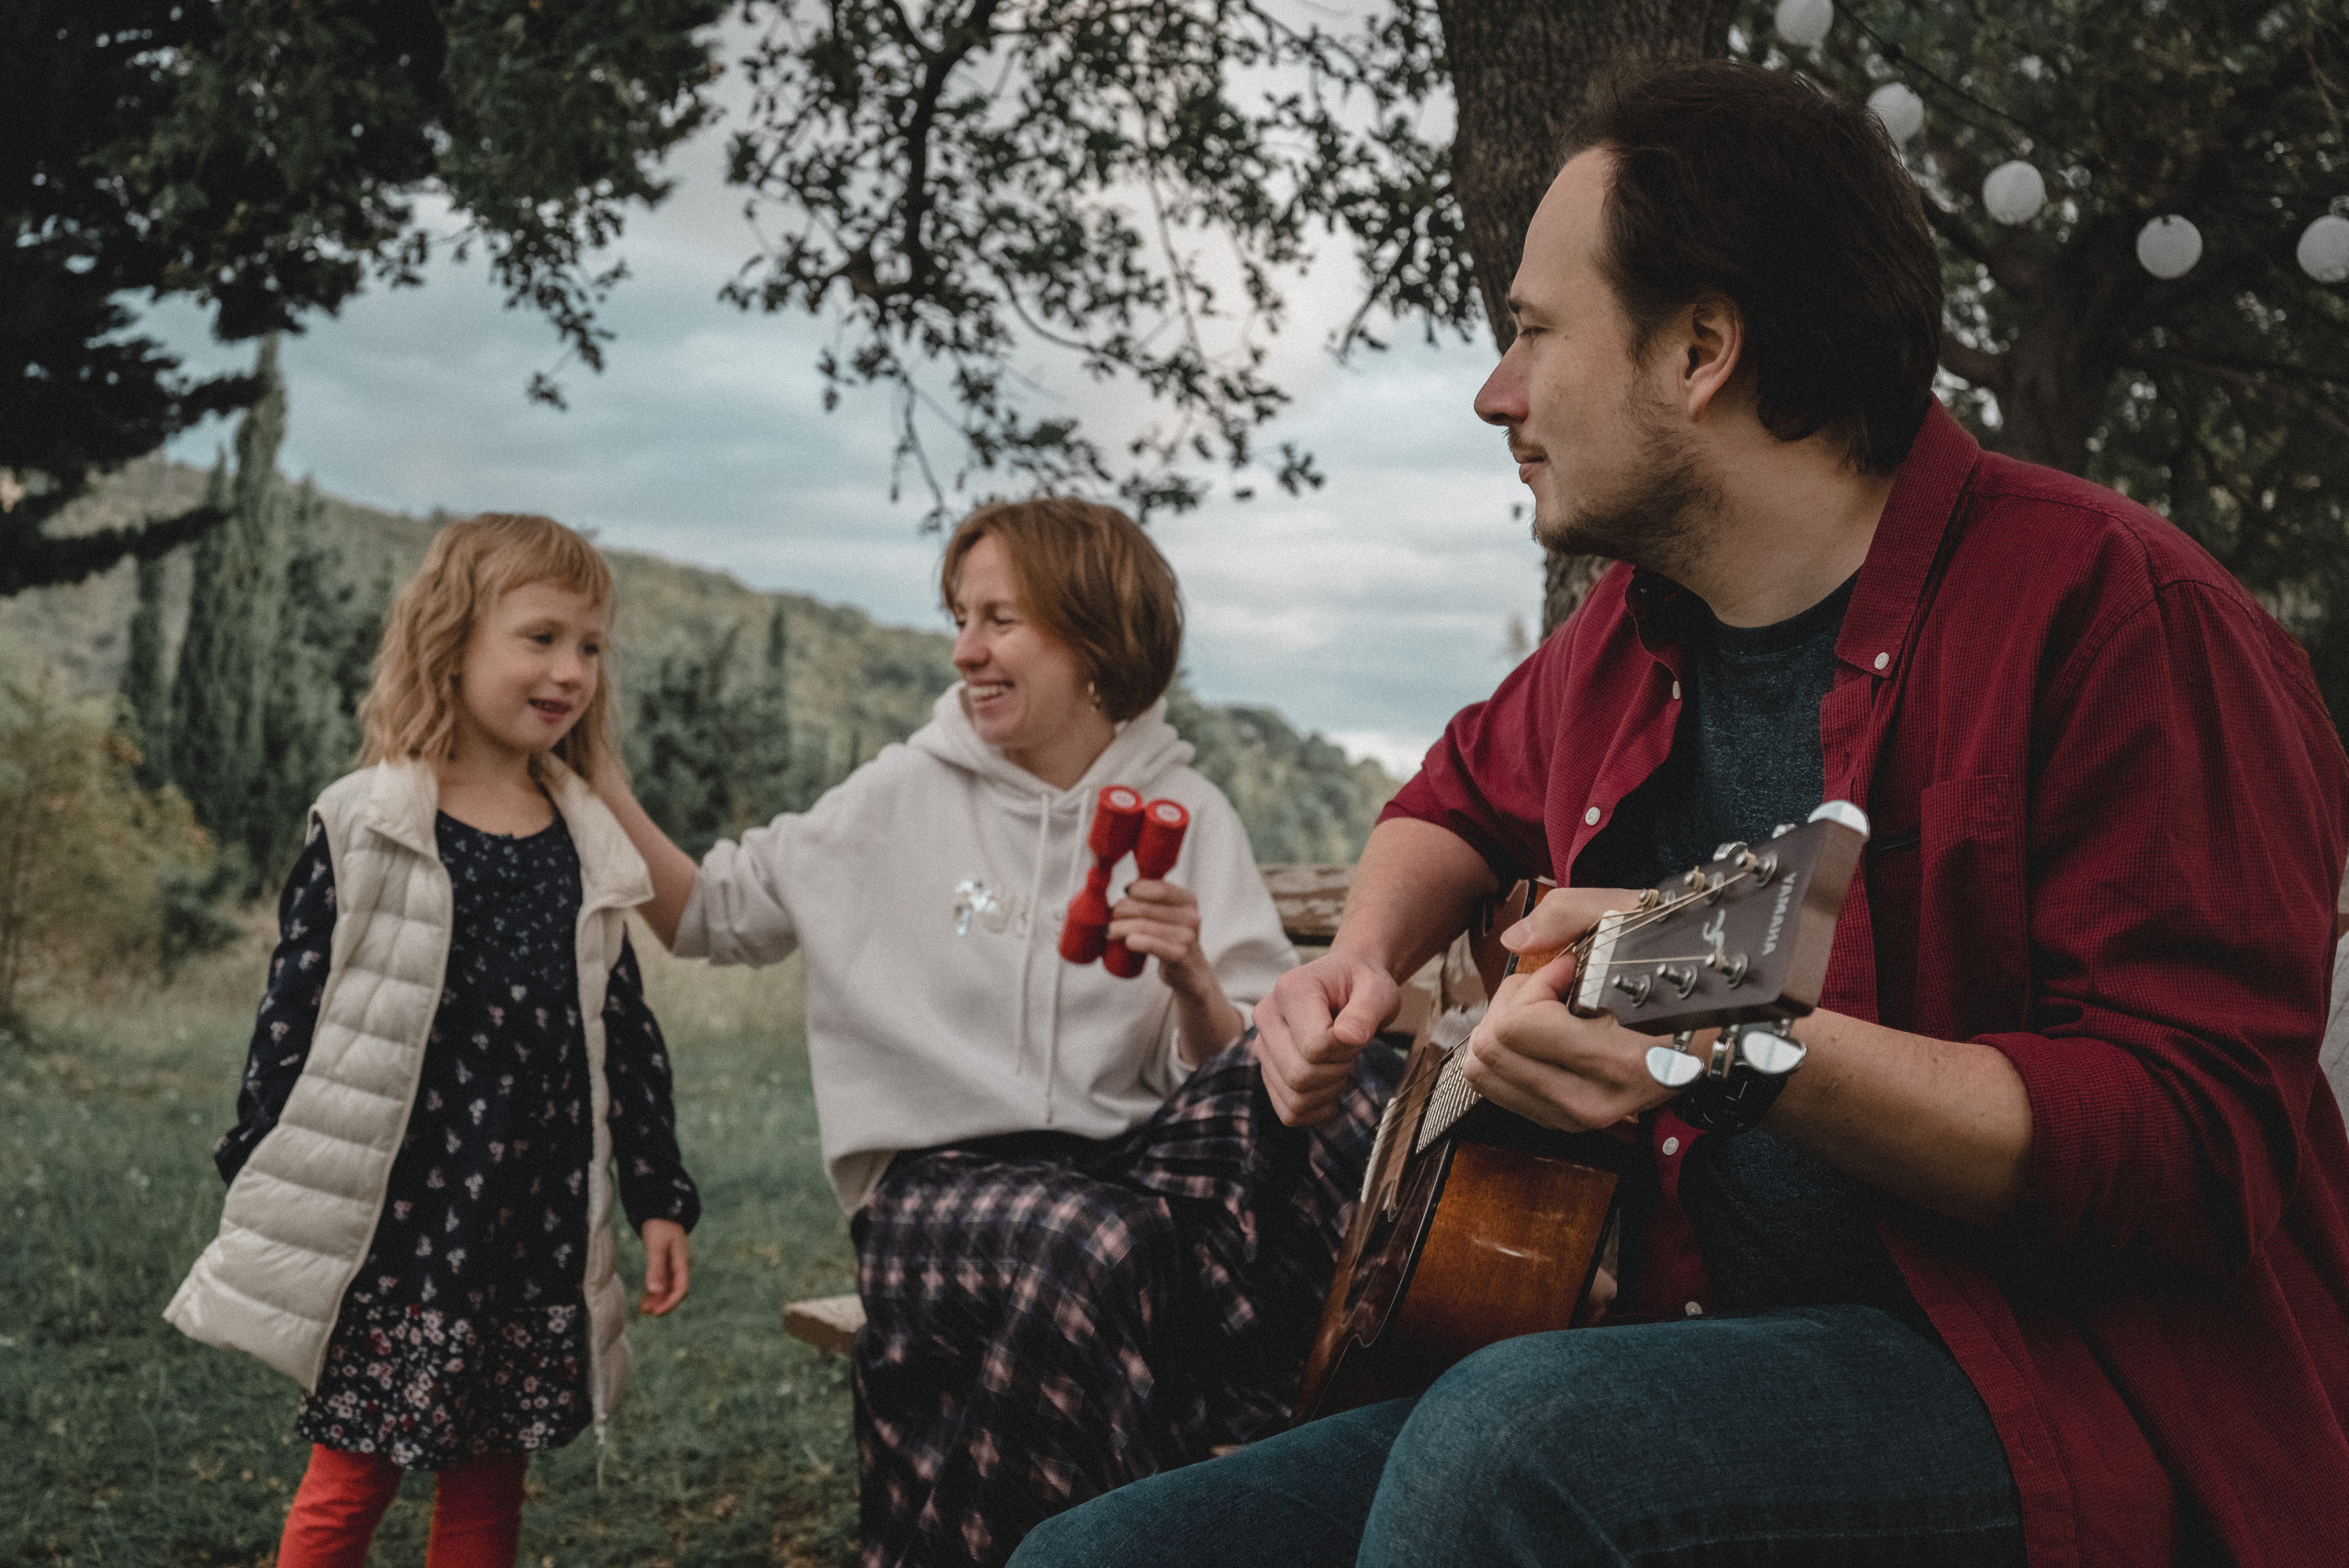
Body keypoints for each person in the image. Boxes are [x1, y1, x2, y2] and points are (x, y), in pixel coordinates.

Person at [1009, 60, 2349, 1568]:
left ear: (1701, 345)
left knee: (1511, 1442)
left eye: (1531, 331)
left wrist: (1714, 1022)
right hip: (1697, 1349)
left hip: (2057, 1387)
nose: (1493, 391)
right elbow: (1456, 787)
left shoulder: (2126, 618)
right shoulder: (1644, 627)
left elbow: (2194, 1146)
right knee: (1097, 1554)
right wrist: (1362, 958)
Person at [593, 497, 1396, 1568]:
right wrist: (592, 770)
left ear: (1093, 634)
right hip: (937, 1192)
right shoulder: (896, 795)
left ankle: (1310, 1464)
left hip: (1127, 1177)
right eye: (960, 618)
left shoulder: (1184, 809)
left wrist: (1192, 975)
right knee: (1094, 1243)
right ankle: (1208, 1482)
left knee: (1346, 1087)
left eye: (1000, 620)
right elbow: (706, 913)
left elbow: (1247, 1073)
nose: (966, 649)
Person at [166, 514, 700, 1568]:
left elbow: (625, 1030)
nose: (569, 669)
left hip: (530, 1227)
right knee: (348, 1478)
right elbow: (292, 1011)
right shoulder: (366, 820)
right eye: (540, 637)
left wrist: (658, 1190)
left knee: (488, 1487)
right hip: (395, 1230)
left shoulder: (588, 838)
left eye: (590, 646)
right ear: (451, 640)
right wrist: (262, 1161)